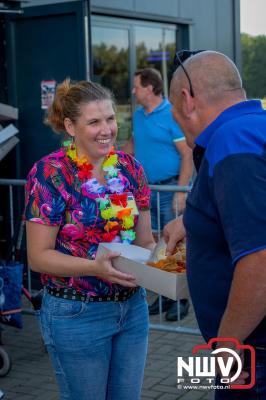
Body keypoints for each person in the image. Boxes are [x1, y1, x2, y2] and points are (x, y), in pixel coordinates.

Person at [24, 79, 156, 400]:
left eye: (110, 118)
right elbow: (38, 256)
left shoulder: (130, 169)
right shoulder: (50, 173)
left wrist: (161, 265)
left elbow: (145, 241)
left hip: (132, 310)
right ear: (70, 126)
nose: (106, 129)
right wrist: (94, 267)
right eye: (94, 121)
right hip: (76, 314)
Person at [164, 50, 266, 399]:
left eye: (175, 115)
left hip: (253, 353)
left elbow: (260, 260)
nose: (180, 124)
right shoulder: (255, 128)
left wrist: (227, 345)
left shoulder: (231, 142)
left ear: (186, 99)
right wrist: (192, 221)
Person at [123, 68, 192, 321]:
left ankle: (181, 300)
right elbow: (132, 144)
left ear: (150, 88)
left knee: (174, 245)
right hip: (145, 190)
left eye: (136, 86)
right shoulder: (139, 115)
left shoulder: (171, 114)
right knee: (153, 244)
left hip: (169, 188)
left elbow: (186, 154)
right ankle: (163, 295)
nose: (133, 91)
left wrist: (181, 191)